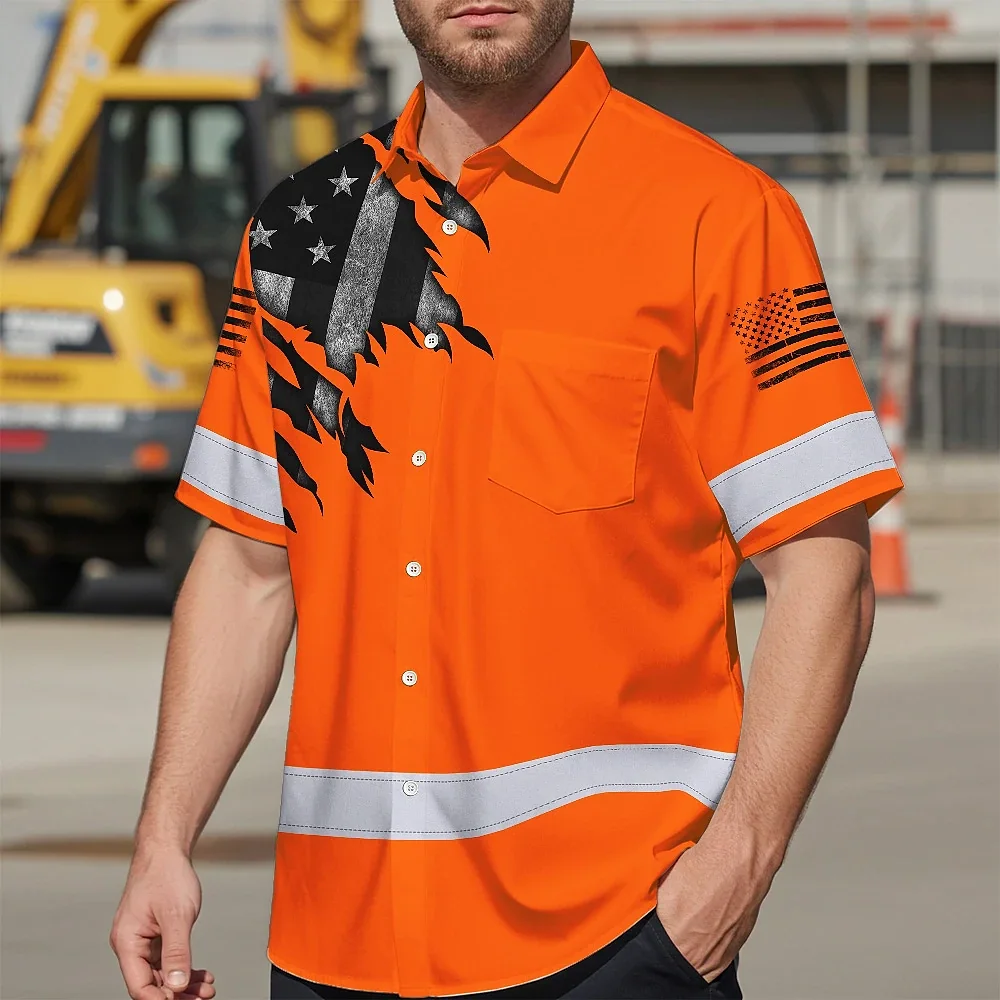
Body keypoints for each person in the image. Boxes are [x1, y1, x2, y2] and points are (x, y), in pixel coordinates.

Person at [110, 2, 904, 998]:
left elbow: (824, 568)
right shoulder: (296, 232)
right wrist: (163, 838)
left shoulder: (724, 216)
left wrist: (733, 869)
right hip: (334, 943)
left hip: (611, 939)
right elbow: (243, 567)